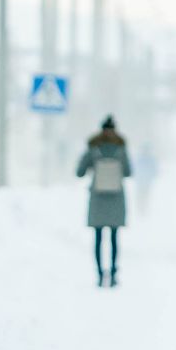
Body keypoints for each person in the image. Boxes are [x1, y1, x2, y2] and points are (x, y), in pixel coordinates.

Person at [76, 115, 131, 287]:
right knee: (114, 238)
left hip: (98, 198)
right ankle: (113, 273)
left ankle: (100, 274)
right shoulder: (121, 148)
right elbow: (128, 172)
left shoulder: (93, 148)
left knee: (98, 238)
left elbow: (79, 172)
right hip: (116, 198)